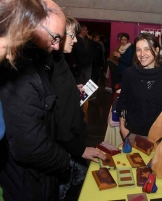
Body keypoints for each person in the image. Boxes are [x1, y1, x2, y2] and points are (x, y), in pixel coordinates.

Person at [0, 1, 72, 200]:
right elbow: (29, 146)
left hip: (40, 177)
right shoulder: (20, 74)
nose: (57, 45)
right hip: (27, 184)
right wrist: (63, 159)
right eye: (55, 37)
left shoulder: (37, 63)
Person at [51, 17, 106, 201]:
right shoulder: (52, 65)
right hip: (67, 147)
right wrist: (79, 150)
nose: (75, 40)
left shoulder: (60, 60)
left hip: (74, 141)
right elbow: (60, 122)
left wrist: (74, 89)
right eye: (72, 35)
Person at [116, 32, 162, 142]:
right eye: (138, 49)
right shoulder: (129, 74)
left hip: (160, 135)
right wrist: (122, 127)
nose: (142, 54)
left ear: (157, 50)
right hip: (133, 133)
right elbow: (123, 102)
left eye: (147, 49)